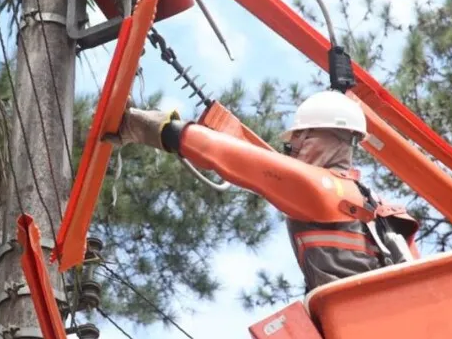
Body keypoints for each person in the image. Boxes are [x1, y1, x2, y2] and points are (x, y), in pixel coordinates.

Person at [103, 89, 420, 293]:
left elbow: (229, 157)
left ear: (321, 136)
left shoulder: (327, 192)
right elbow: (267, 167)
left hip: (357, 322)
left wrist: (150, 128)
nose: (291, 150)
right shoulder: (371, 206)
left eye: (296, 140)